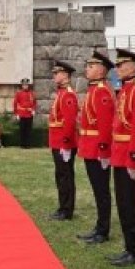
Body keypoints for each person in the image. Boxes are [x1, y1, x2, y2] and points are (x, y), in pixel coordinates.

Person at [107, 48, 135, 266]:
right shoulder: (125, 90)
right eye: (117, 65)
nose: (118, 68)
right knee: (124, 204)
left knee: (132, 205)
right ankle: (128, 247)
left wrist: (134, 158)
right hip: (119, 155)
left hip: (129, 157)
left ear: (133, 66)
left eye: (122, 64)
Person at [75, 51, 115, 244]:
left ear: (101, 70)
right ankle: (99, 227)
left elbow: (105, 126)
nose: (87, 69)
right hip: (90, 147)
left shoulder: (102, 92)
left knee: (102, 191)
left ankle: (103, 230)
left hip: (98, 150)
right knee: (97, 190)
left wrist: (104, 151)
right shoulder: (94, 90)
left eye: (91, 66)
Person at [48, 60, 79, 221]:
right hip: (58, 141)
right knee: (60, 175)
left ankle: (67, 210)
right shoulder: (62, 93)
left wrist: (66, 144)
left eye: (57, 73)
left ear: (65, 75)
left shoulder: (68, 95)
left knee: (65, 176)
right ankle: (62, 207)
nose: (54, 75)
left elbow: (69, 121)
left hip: (63, 143)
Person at [13, 78, 37, 148]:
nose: (25, 86)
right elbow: (15, 103)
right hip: (22, 113)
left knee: (28, 130)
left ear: (28, 85)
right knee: (22, 130)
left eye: (26, 85)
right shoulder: (18, 93)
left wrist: (33, 110)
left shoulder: (31, 93)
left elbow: (34, 103)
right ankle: (22, 144)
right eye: (24, 85)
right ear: (22, 85)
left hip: (29, 114)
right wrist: (16, 113)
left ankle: (28, 144)